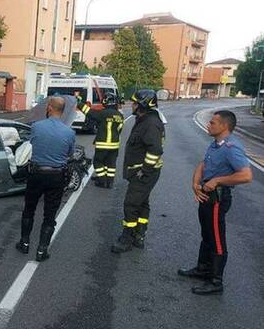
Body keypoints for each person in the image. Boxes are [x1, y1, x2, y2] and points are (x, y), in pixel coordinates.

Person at [178, 110, 252, 295]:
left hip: (218, 198)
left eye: (212, 122)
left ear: (224, 126)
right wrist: (195, 183)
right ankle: (203, 269)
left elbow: (246, 175)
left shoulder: (231, 147)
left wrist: (218, 181)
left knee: (217, 239)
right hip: (206, 196)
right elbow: (203, 164)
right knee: (207, 234)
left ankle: (216, 281)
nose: (209, 125)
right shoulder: (215, 145)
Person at [15, 96, 75, 261]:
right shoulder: (69, 132)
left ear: (49, 108)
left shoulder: (37, 127)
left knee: (29, 209)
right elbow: (69, 154)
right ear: (63, 112)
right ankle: (42, 250)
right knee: (50, 214)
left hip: (36, 174)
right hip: (57, 176)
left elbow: (32, 144)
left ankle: (24, 243)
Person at [111, 89, 165, 253]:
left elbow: (155, 150)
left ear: (142, 105)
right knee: (142, 204)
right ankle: (139, 236)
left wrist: (145, 170)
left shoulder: (149, 123)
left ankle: (127, 238)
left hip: (144, 173)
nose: (132, 105)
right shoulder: (144, 119)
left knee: (131, 204)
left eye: (135, 103)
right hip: (143, 172)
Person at [77, 92, 124, 188]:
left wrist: (79, 103)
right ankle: (109, 181)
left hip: (102, 144)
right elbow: (119, 130)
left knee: (98, 162)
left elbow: (89, 112)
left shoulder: (103, 113)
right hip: (114, 144)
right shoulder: (120, 115)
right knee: (110, 163)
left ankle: (102, 180)